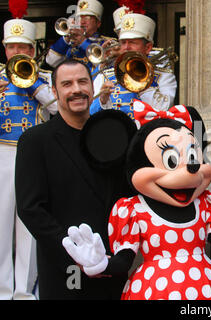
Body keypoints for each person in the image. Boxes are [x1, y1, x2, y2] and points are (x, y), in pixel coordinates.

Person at [15, 59, 131, 299]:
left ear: (92, 87)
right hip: (65, 268)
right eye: (67, 84)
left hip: (111, 262)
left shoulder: (113, 134)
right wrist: (75, 256)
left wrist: (120, 255)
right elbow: (30, 209)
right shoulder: (35, 141)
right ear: (55, 91)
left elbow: (125, 195)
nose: (76, 89)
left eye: (82, 82)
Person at [0, 18, 57, 300]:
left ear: (33, 50)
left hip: (34, 156)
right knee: (0, 225)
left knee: (29, 225)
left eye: (23, 46)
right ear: (5, 49)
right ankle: (2, 291)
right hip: (2, 154)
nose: (17, 51)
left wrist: (35, 85)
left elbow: (59, 108)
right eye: (12, 47)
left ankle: (24, 293)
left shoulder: (45, 78)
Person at [90, 13, 177, 115]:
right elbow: (90, 113)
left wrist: (143, 78)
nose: (126, 47)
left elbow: (164, 109)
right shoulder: (105, 75)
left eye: (132, 42)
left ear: (148, 47)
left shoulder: (164, 76)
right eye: (123, 42)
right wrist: (103, 100)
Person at [46, 0, 111, 72]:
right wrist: (66, 38)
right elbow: (51, 61)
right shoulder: (70, 42)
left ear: (98, 23)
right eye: (80, 17)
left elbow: (105, 67)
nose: (82, 22)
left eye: (87, 17)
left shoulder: (106, 43)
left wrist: (83, 42)